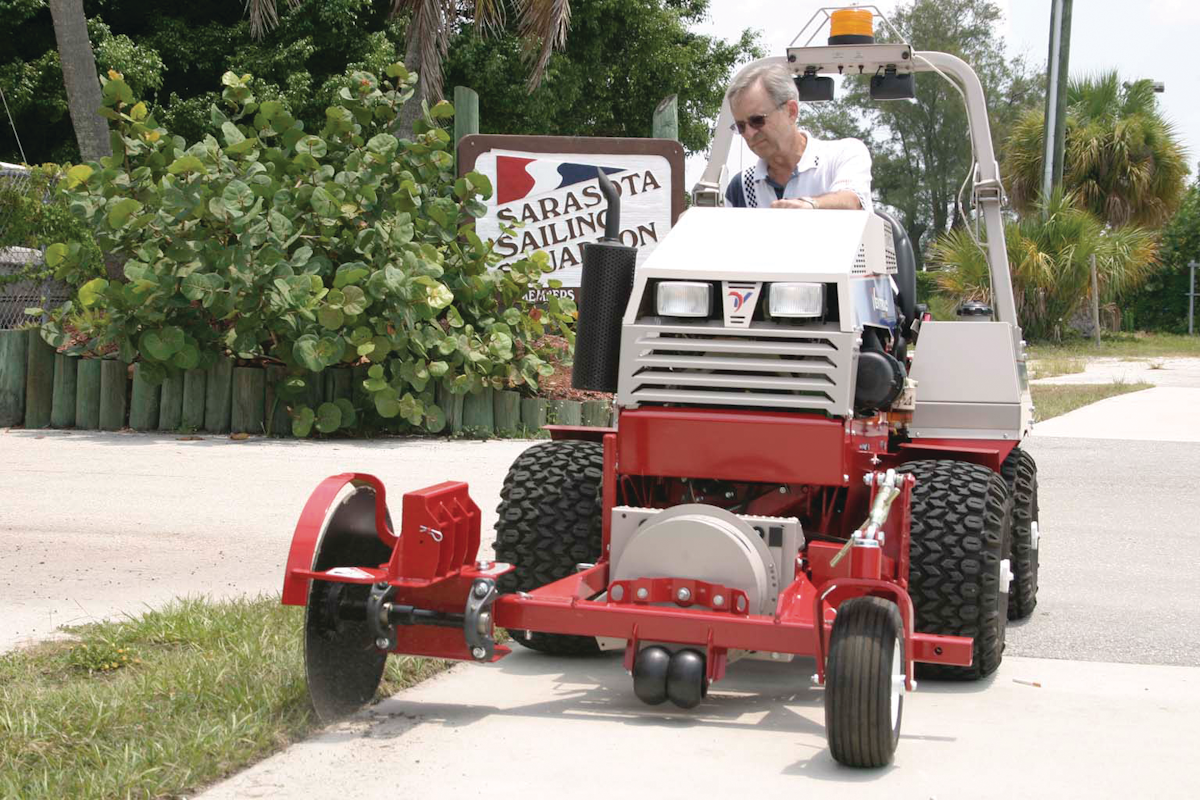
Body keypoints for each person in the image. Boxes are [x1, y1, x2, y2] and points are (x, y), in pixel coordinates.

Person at [724, 63, 872, 212]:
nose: (749, 133)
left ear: (791, 111)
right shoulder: (741, 187)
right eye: (741, 126)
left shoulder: (842, 154)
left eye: (757, 120)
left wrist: (810, 205)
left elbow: (852, 201)